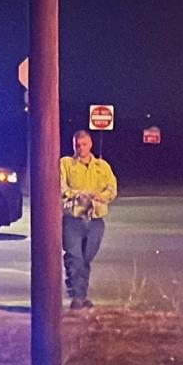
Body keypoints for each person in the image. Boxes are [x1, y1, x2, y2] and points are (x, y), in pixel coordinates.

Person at [60, 129, 117, 310]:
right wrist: (80, 195)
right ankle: (77, 297)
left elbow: (112, 188)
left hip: (95, 220)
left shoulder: (102, 166)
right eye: (77, 145)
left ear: (90, 144)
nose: (80, 148)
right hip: (73, 219)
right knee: (74, 257)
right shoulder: (66, 163)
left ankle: (81, 295)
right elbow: (62, 187)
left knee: (86, 258)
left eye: (84, 144)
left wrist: (102, 196)